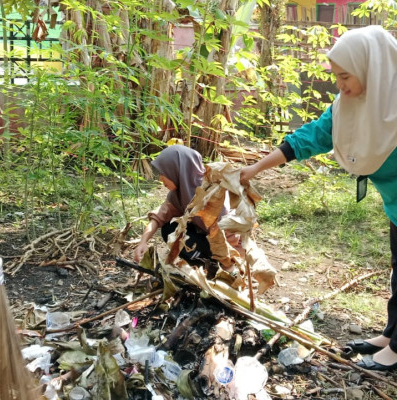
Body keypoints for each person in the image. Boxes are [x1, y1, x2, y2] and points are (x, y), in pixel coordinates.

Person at [240, 25, 397, 371]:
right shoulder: (349, 104)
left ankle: (396, 351)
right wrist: (254, 169)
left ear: (372, 67)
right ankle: (391, 334)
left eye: (345, 76)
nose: (339, 86)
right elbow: (309, 137)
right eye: (336, 77)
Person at [134, 144, 239, 273]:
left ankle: (219, 269)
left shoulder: (211, 191)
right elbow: (159, 217)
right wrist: (143, 242)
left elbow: (227, 234)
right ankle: (204, 266)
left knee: (186, 236)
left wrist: (230, 265)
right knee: (169, 228)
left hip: (226, 248)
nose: (160, 178)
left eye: (163, 173)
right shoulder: (179, 194)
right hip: (205, 242)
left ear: (178, 170)